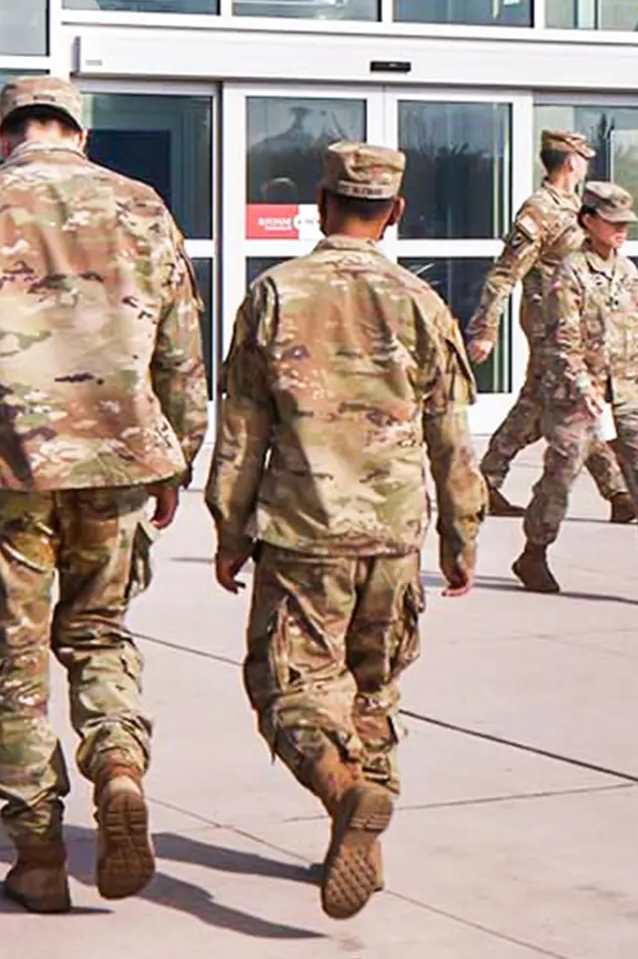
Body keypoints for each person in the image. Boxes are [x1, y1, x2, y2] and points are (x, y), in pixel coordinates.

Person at [0, 75, 209, 914]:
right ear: (78, 133)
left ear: (5, 135)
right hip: (119, 467)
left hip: (7, 472)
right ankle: (118, 765)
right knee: (100, 632)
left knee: (12, 657)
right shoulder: (142, 206)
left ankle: (38, 850)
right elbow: (181, 346)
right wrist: (178, 458)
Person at [206, 140, 484, 921]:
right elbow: (453, 440)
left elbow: (242, 431)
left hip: (303, 534)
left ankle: (345, 793)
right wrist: (462, 538)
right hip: (394, 538)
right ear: (394, 213)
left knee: (285, 688)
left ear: (322, 206)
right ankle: (363, 831)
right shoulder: (422, 304)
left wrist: (229, 529)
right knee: (373, 690)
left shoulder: (275, 294)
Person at [511, 181, 638, 609]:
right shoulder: (569, 272)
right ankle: (533, 555)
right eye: (613, 222)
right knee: (559, 479)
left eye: (626, 223)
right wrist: (584, 388)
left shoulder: (627, 271)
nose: (622, 230)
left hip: (629, 389)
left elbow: (635, 337)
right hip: (578, 394)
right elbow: (562, 341)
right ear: (588, 221)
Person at [470, 126, 629, 524]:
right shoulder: (539, 209)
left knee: (538, 406)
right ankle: (619, 493)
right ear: (572, 161)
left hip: (576, 327)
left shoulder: (577, 207)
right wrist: (485, 328)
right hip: (550, 330)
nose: (586, 165)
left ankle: (486, 482)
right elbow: (505, 273)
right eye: (584, 158)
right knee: (577, 405)